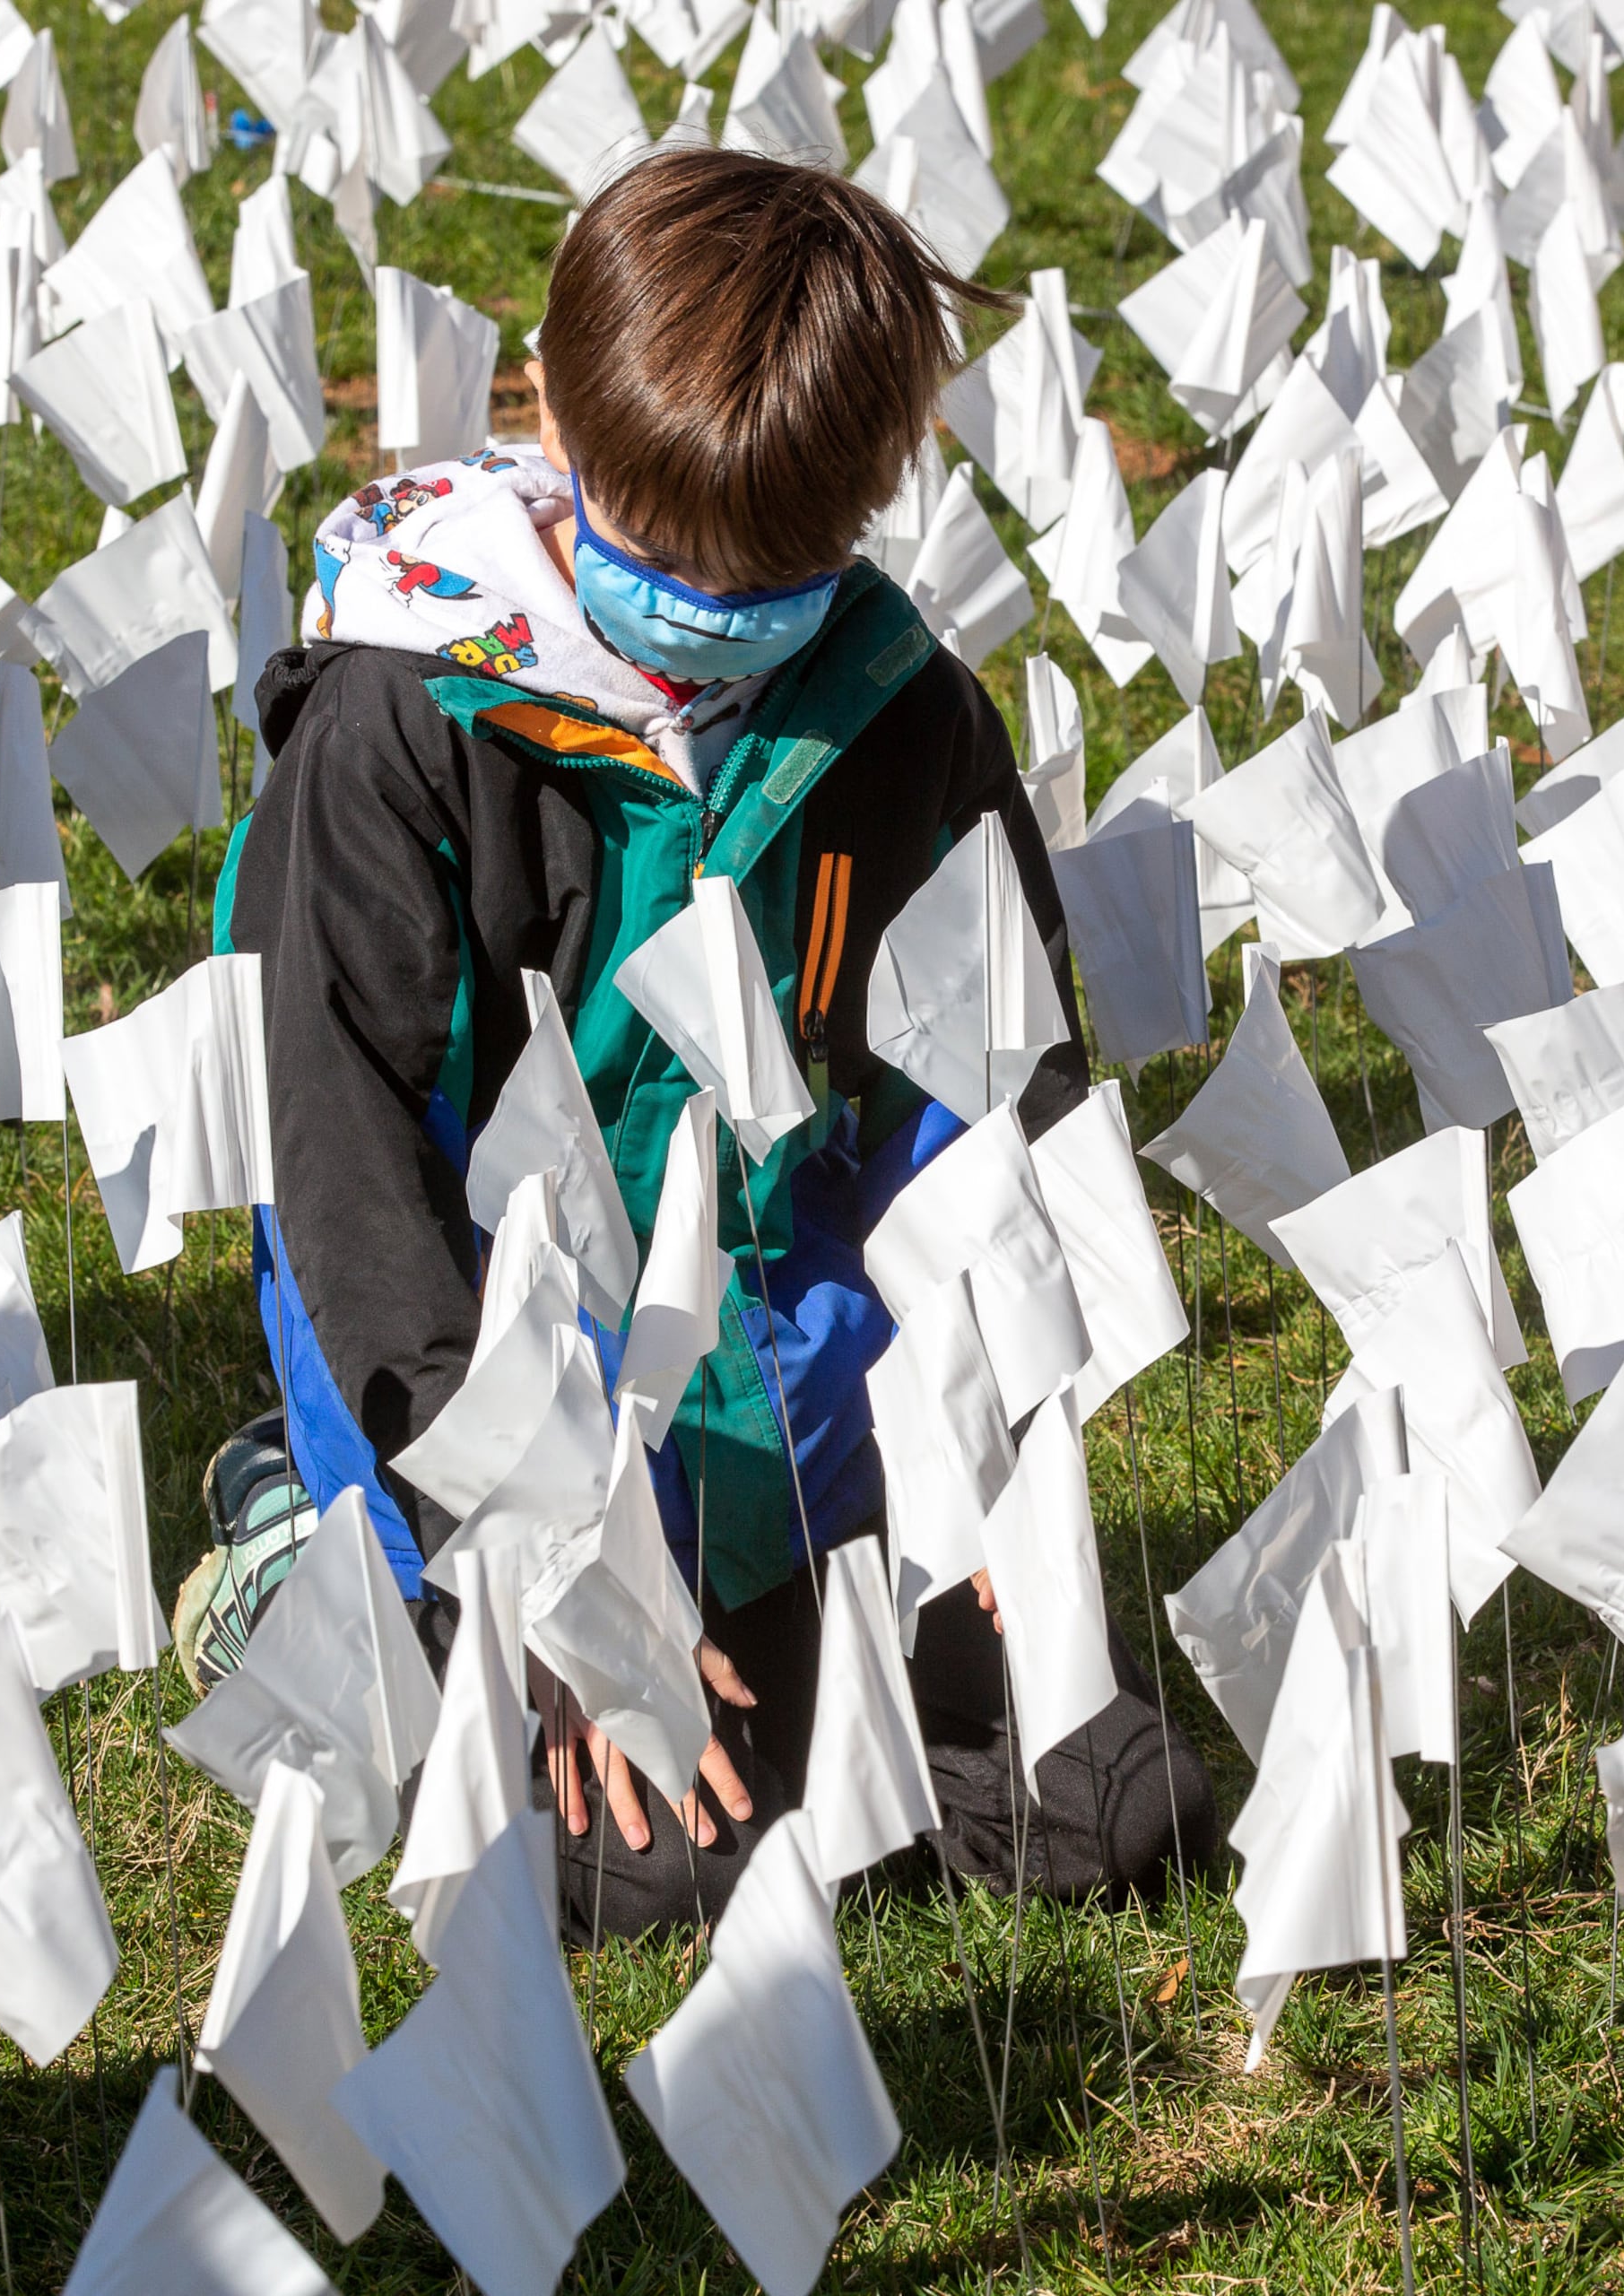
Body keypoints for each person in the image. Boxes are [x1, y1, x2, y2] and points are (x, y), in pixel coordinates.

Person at [195, 144, 1214, 1940]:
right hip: (490, 1418)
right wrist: (535, 1554)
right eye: (669, 570)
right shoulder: (394, 724)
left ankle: (774, 1639)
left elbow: (984, 1113)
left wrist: (992, 1479)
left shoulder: (904, 719)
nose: (716, 627)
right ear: (558, 423)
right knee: (654, 1868)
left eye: (777, 583)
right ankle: (300, 1546)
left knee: (1102, 1807)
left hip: (786, 1412)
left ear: (875, 497)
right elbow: (343, 1167)